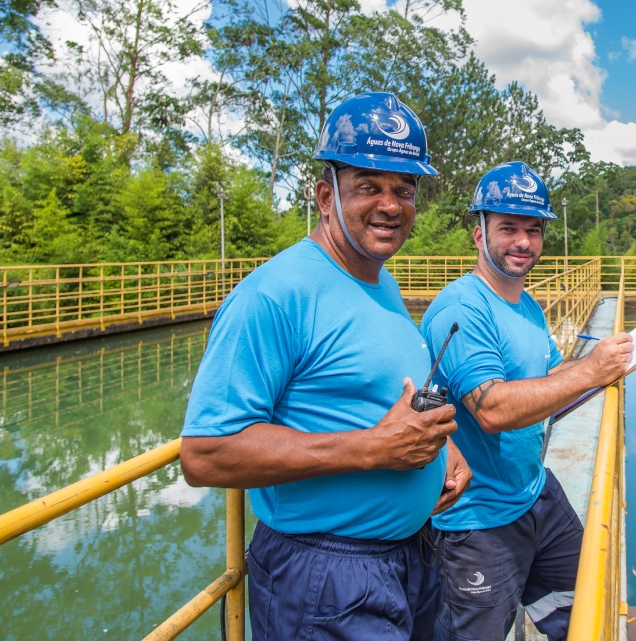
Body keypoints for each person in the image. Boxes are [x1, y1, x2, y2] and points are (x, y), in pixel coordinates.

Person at [179, 92, 471, 641]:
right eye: (368, 186)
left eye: (404, 190)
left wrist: (441, 450)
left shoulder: (381, 279)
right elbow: (205, 454)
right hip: (326, 579)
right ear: (324, 194)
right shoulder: (274, 295)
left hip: (412, 557)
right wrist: (375, 448)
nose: (390, 204)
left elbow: (372, 394)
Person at [420, 161, 633, 641]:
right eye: (508, 228)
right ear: (478, 234)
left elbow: (552, 375)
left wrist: (603, 367)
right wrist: (589, 369)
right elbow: (491, 409)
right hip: (475, 521)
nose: (523, 242)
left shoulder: (527, 303)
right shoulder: (461, 310)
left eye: (533, 230)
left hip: (534, 492)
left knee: (586, 606)